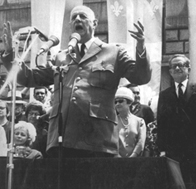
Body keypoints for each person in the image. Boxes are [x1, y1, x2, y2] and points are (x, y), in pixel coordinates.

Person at [1, 5, 151, 158]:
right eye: (74, 18)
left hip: (98, 139)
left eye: (83, 16)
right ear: (70, 26)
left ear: (95, 23)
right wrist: (9, 54)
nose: (77, 19)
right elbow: (29, 77)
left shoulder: (114, 52)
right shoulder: (61, 57)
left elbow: (141, 77)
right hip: (62, 138)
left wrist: (141, 49)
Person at [157, 54, 196, 189]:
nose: (178, 68)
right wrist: (162, 150)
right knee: (178, 185)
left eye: (181, 65)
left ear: (189, 69)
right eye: (174, 66)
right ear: (170, 72)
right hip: (175, 151)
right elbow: (162, 124)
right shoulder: (165, 95)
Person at [115, 87, 146, 158]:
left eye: (120, 101)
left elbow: (141, 142)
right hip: (116, 161)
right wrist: (117, 156)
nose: (117, 104)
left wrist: (133, 156)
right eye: (115, 102)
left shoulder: (139, 121)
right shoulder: (113, 121)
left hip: (135, 161)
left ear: (129, 103)